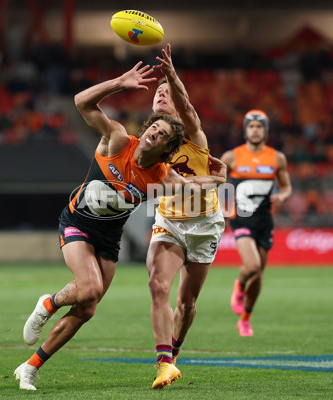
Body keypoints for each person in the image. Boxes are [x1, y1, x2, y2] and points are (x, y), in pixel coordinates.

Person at [13, 61, 227, 391]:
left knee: (88, 309)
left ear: (166, 150)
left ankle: (30, 366)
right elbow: (81, 102)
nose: (152, 134)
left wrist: (218, 178)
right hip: (77, 223)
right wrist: (119, 81)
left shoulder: (159, 174)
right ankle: (49, 303)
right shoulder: (116, 140)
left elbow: (189, 186)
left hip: (109, 237)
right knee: (90, 289)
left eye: (160, 135)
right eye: (152, 129)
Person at [146, 44, 226, 389]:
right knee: (157, 285)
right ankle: (164, 362)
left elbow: (187, 106)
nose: (162, 94)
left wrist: (171, 75)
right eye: (158, 92)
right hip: (169, 222)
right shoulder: (150, 142)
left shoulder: (193, 134)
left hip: (204, 224)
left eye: (168, 92)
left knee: (187, 302)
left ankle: (175, 353)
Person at [220, 109, 292, 337]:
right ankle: (239, 287)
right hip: (241, 217)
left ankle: (245, 320)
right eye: (251, 126)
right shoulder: (231, 156)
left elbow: (287, 186)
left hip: (264, 220)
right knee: (251, 267)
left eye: (259, 126)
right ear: (245, 130)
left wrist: (282, 195)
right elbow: (219, 183)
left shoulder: (277, 158)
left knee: (259, 275)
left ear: (266, 131)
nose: (255, 130)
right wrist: (223, 208)